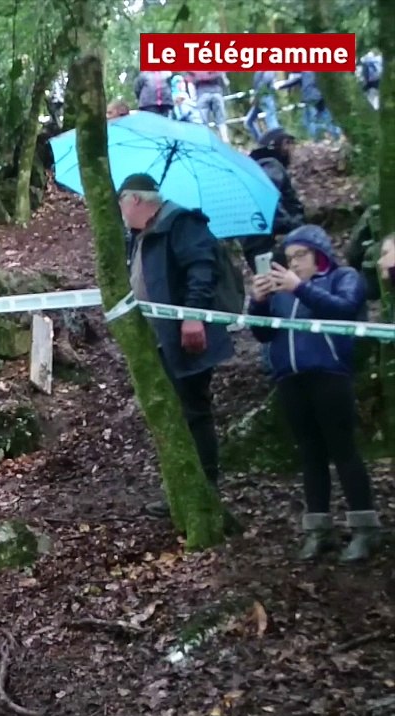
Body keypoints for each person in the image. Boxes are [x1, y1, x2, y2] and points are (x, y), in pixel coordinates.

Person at [247, 225, 380, 562]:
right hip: (289, 379)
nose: (294, 263)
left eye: (301, 255)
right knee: (309, 455)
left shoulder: (342, 277)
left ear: (318, 254)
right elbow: (262, 335)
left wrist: (301, 289)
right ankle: (318, 529)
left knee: (343, 449)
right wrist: (259, 302)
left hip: (330, 375)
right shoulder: (283, 290)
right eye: (289, 258)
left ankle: (365, 528)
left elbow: (344, 309)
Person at [118, 173, 234, 517]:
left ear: (136, 200)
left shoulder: (181, 224)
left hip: (188, 337)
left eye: (122, 203)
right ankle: (182, 489)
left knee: (193, 413)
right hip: (159, 340)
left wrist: (193, 316)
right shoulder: (142, 235)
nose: (121, 212)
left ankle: (204, 491)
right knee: (173, 414)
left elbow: (202, 268)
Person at [241, 128, 304, 272]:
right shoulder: (270, 165)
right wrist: (291, 228)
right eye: (289, 144)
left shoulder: (254, 169)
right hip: (271, 245)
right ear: (282, 145)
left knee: (272, 288)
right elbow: (265, 197)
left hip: (256, 246)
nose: (292, 150)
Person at [277, 73, 341, 143]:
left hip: (311, 98)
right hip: (320, 96)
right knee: (326, 118)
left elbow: (297, 79)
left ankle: (317, 140)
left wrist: (281, 86)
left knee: (311, 121)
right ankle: (335, 137)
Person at [188, 71, 230, 142]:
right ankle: (225, 142)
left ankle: (206, 143)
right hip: (216, 93)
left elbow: (190, 81)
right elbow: (225, 82)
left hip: (202, 95)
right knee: (221, 121)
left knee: (203, 123)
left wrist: (193, 99)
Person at [243, 70, 280, 143]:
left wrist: (256, 95)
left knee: (271, 120)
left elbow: (266, 81)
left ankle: (279, 141)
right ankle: (261, 141)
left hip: (266, 96)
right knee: (249, 121)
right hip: (260, 97)